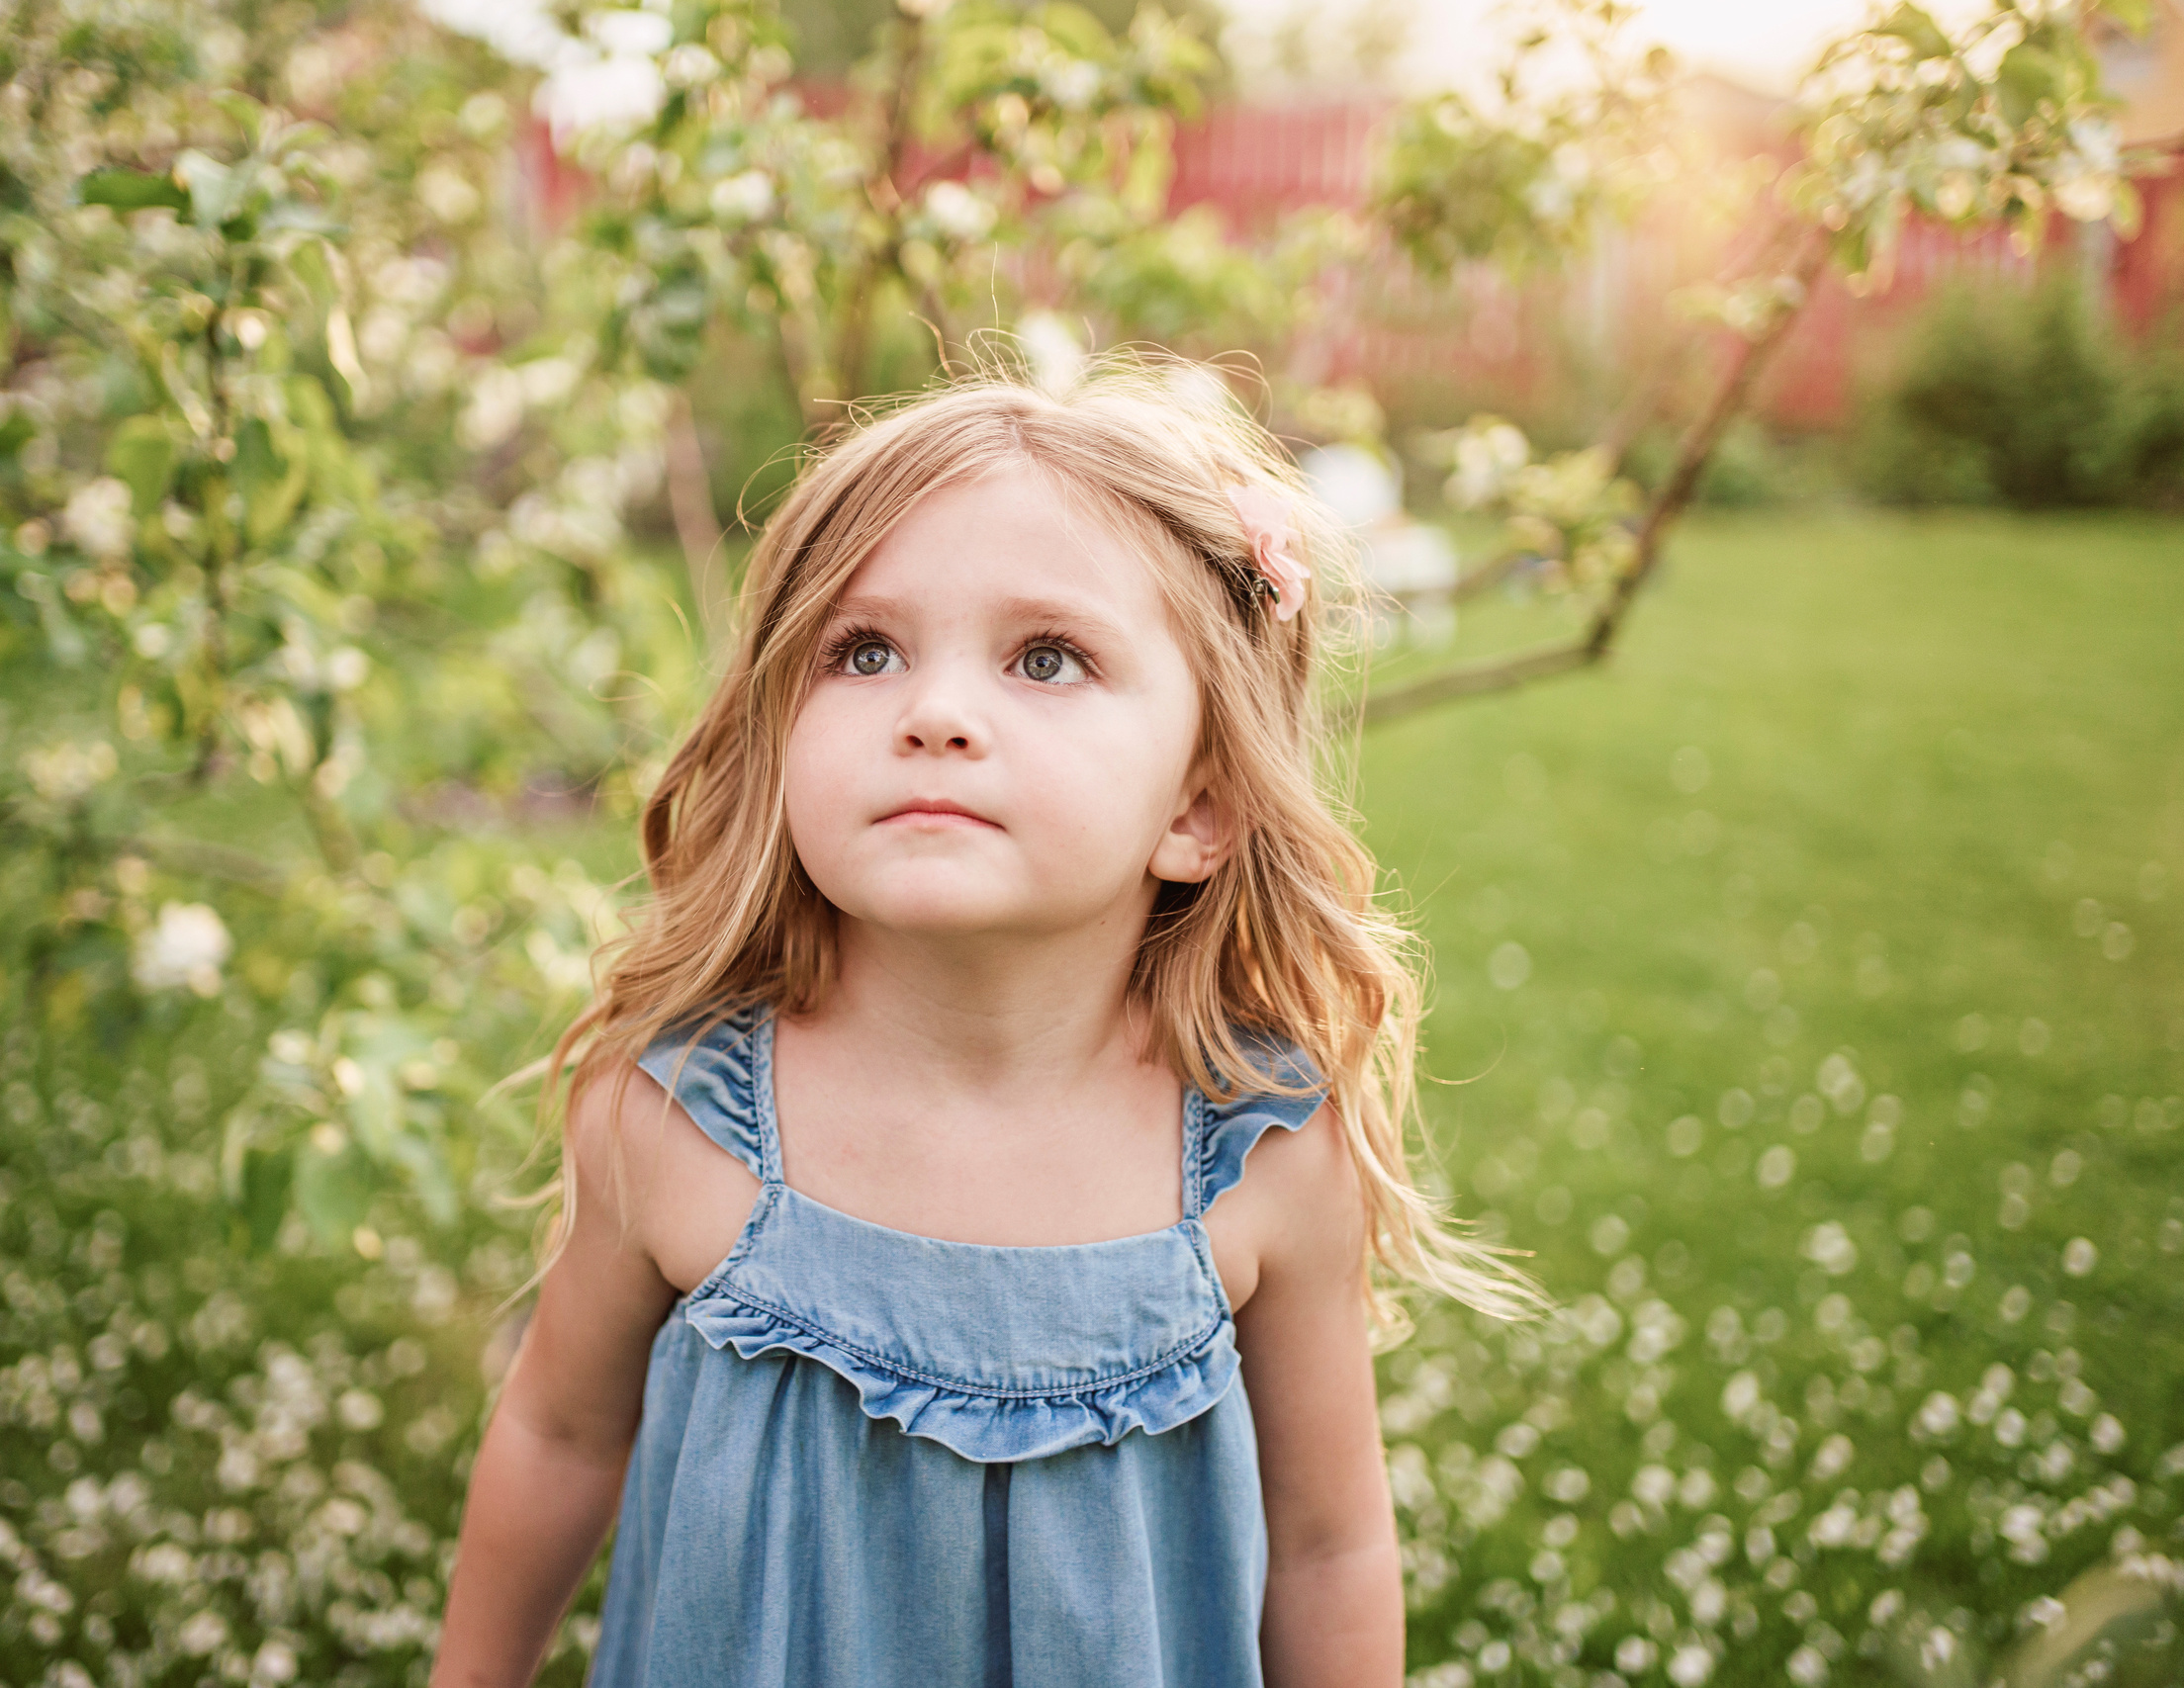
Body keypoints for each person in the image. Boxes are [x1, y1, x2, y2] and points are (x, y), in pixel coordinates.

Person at [430, 359, 1528, 1688]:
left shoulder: (1262, 1156)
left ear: (1199, 805)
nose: (935, 714)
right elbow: (557, 1436)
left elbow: (1329, 1548)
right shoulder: (672, 1119)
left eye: (1046, 658)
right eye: (865, 650)